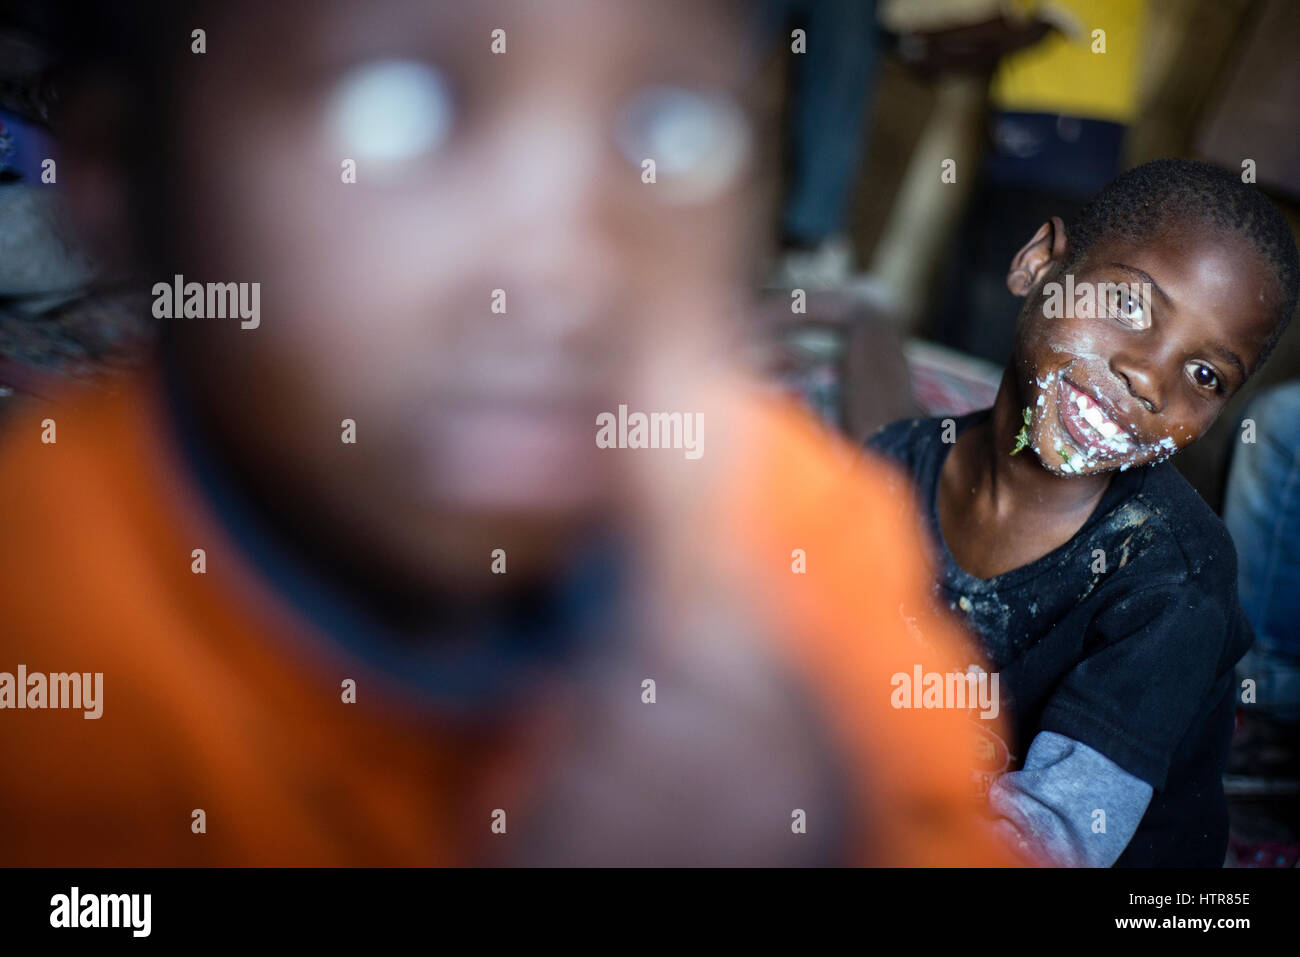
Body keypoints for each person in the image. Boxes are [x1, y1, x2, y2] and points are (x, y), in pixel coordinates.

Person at [0, 0, 1013, 866]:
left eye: (669, 129)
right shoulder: (41, 626)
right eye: (395, 113)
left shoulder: (796, 539)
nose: (563, 267)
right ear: (121, 180)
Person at [868, 158, 1300, 866]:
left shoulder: (1175, 580)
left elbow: (1057, 837)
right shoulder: (891, 469)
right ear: (1039, 263)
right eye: (1130, 305)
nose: (1147, 375)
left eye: (1204, 375)